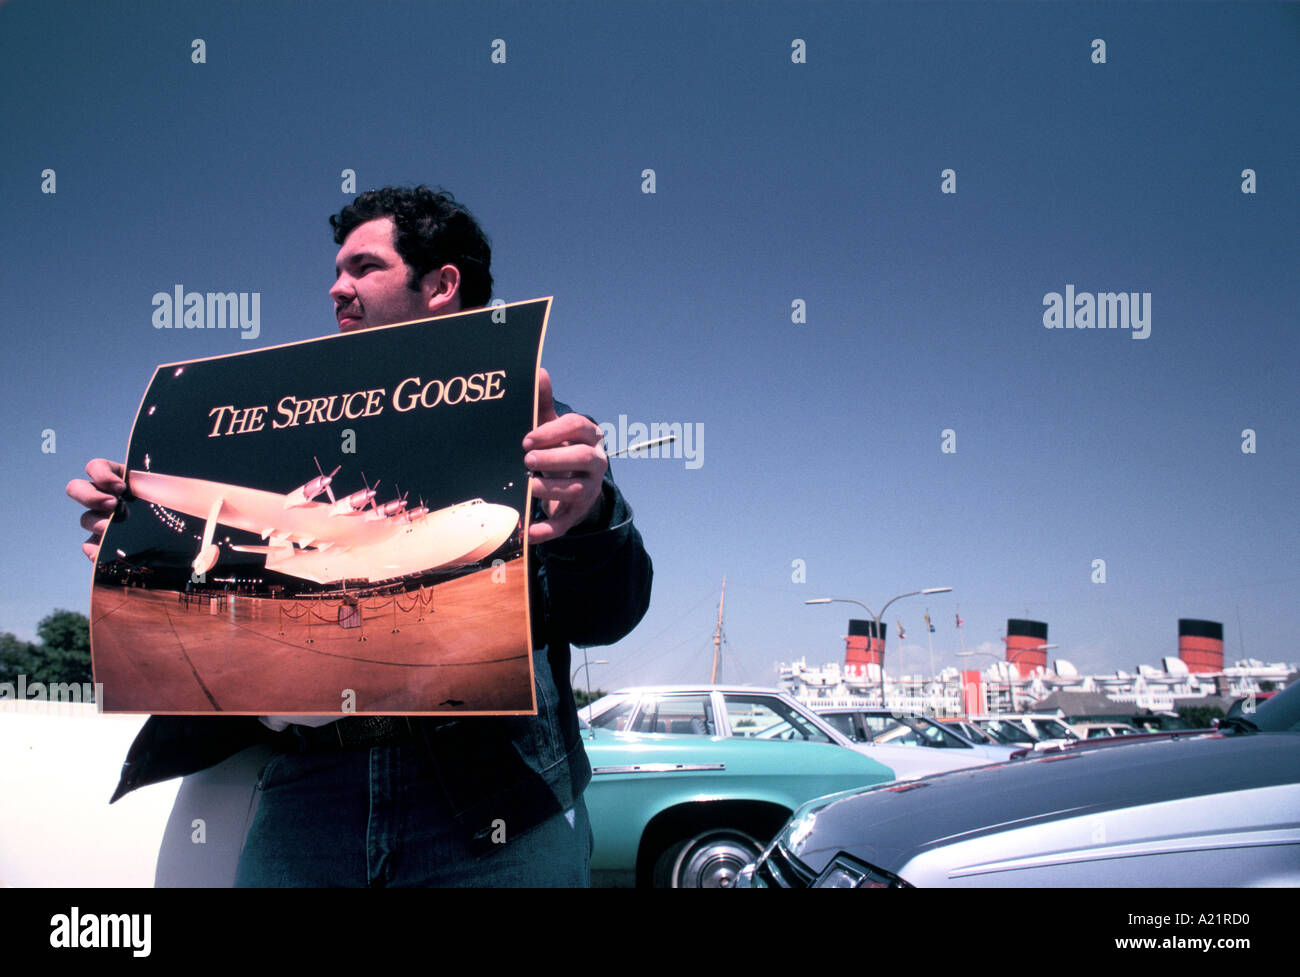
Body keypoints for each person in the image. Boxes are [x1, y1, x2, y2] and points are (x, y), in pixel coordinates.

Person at [66, 186, 652, 886]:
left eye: (363, 266)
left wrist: (589, 519)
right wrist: (139, 537)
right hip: (305, 793)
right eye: (338, 270)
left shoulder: (542, 439)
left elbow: (608, 613)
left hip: (495, 799)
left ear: (441, 285)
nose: (335, 287)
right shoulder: (268, 422)